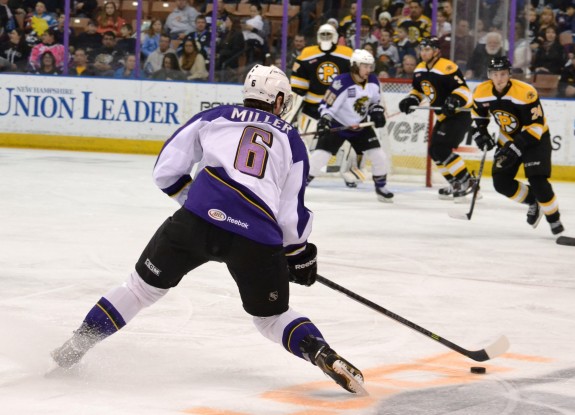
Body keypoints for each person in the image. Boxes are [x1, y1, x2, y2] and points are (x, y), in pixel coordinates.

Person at [50, 64, 366, 396]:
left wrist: (202, 203)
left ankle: (75, 346)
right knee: (272, 318)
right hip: (255, 237)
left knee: (139, 290)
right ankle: (320, 351)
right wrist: (299, 255)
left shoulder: (215, 116)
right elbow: (291, 215)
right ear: (276, 99)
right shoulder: (291, 139)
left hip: (196, 223)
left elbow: (166, 171)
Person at [471, 56, 564, 235]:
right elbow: (479, 115)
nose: (499, 78)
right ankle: (533, 201)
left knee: (537, 180)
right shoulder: (481, 91)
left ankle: (554, 221)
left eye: (503, 74)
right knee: (501, 182)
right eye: (495, 74)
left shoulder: (525, 92)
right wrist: (480, 132)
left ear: (509, 74)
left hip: (535, 138)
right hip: (508, 137)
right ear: (490, 75)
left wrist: (517, 146)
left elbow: (535, 126)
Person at [307, 49, 393, 202]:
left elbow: (375, 102)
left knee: (379, 156)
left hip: (360, 126)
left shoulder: (373, 81)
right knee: (320, 157)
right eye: (365, 66)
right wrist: (325, 120)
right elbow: (326, 105)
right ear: (355, 66)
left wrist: (377, 113)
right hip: (338, 124)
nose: (369, 70)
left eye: (370, 66)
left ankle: (381, 187)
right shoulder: (342, 82)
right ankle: (298, 186)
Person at [398, 36, 475, 201]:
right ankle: (455, 183)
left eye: (427, 49)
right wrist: (412, 99)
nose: (423, 53)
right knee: (434, 151)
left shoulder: (447, 67)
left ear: (436, 51)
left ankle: (468, 182)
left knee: (441, 150)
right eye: (422, 49)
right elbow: (418, 91)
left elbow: (464, 90)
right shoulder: (419, 69)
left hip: (459, 115)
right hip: (443, 116)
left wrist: (455, 100)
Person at [288, 24, 354, 185]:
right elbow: (297, 87)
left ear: (336, 36)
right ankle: (301, 174)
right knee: (304, 142)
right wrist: (291, 111)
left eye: (328, 34)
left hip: (338, 110)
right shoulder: (307, 54)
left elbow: (355, 81)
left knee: (348, 142)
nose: (325, 37)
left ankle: (349, 173)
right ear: (318, 36)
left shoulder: (347, 54)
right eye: (322, 34)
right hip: (312, 108)